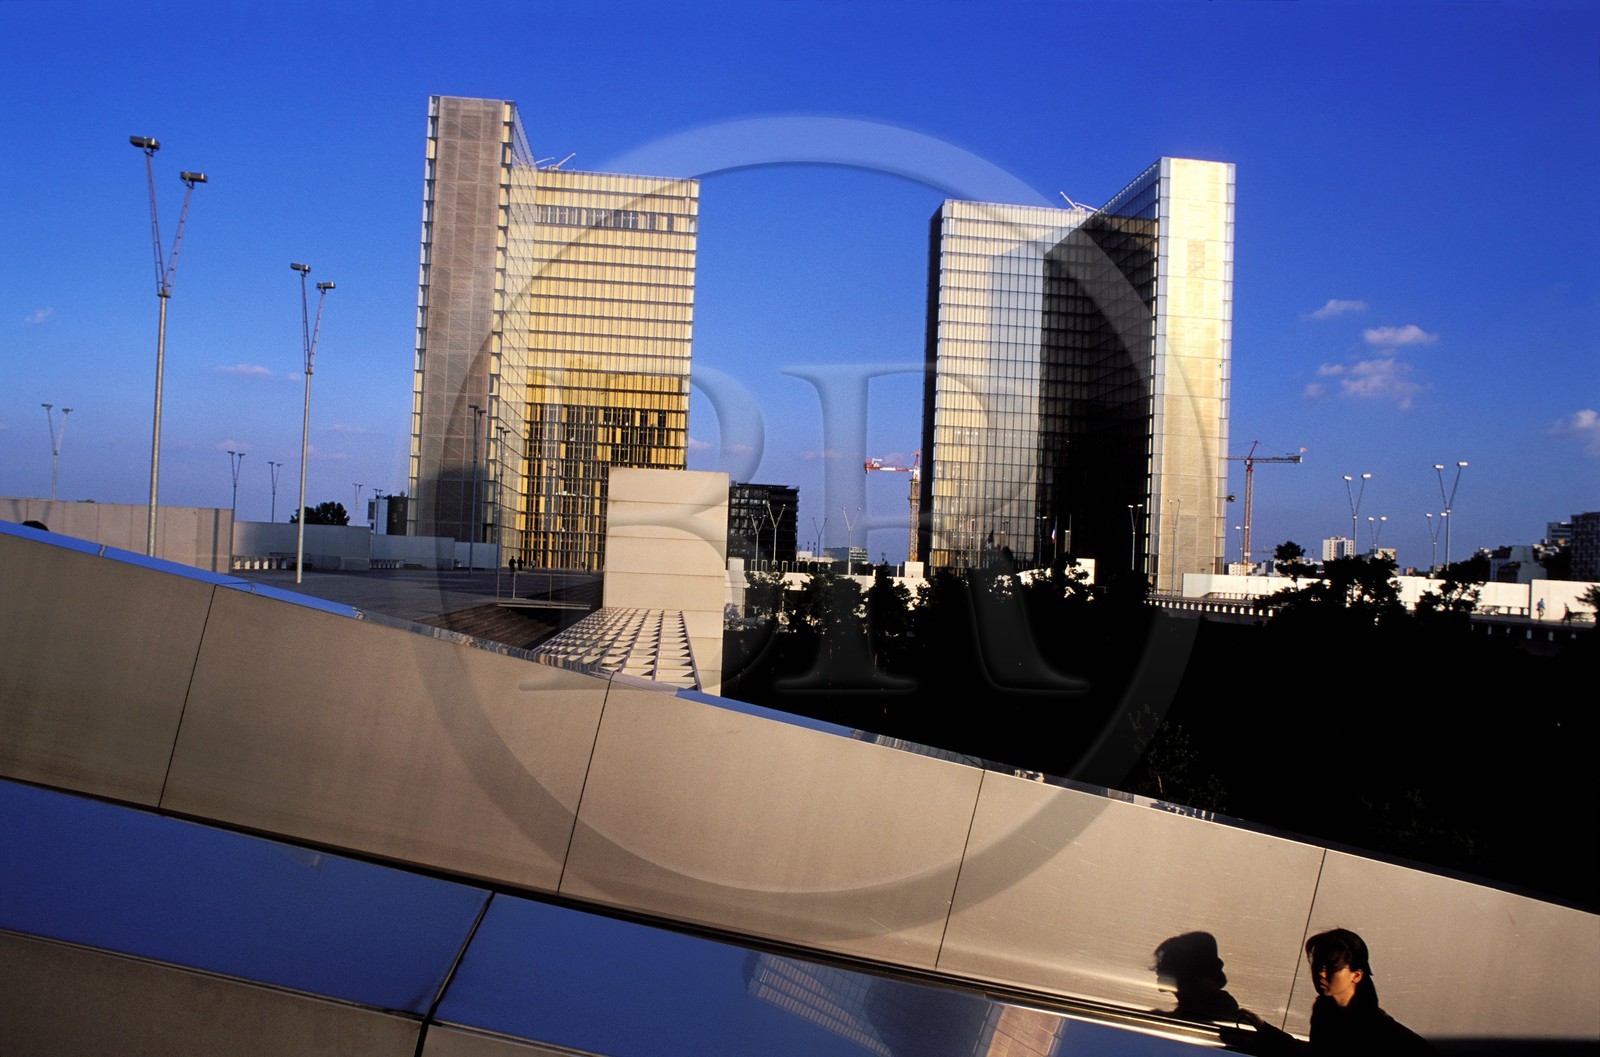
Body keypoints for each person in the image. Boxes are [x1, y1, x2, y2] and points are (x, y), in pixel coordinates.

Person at [1224, 928, 1434, 1054]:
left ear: (1356, 975)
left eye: (1332, 967)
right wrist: (1265, 1030)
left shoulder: (1378, 1030)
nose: (1321, 974)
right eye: (1318, 965)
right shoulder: (1325, 1010)